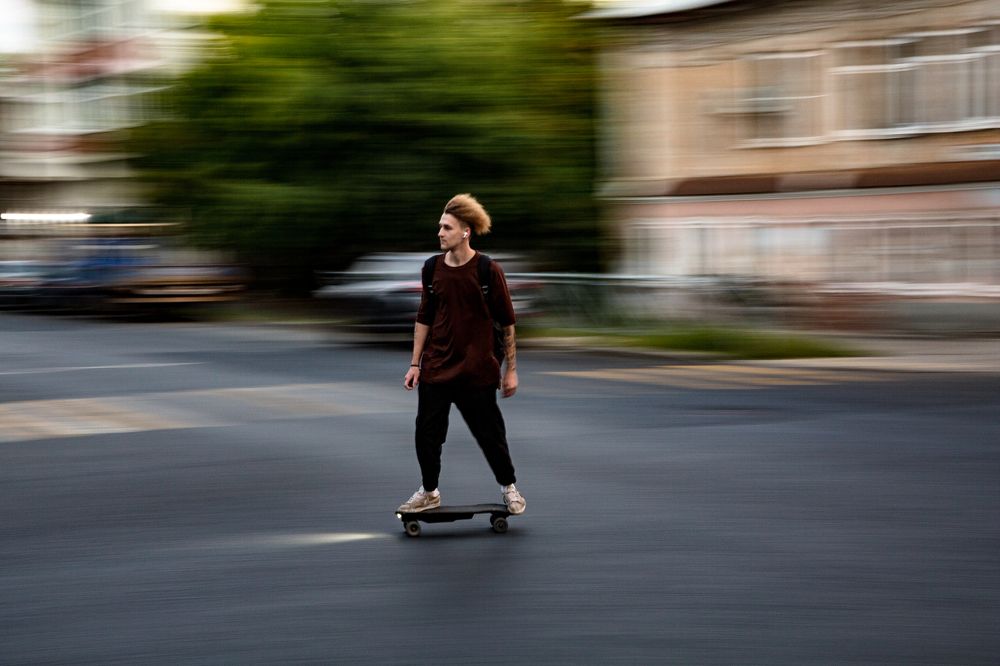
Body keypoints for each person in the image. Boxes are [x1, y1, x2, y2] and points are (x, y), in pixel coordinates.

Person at [399, 193, 526, 515]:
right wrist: (415, 364)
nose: (440, 233)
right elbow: (424, 317)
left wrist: (511, 370)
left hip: (476, 370)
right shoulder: (432, 268)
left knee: (491, 436)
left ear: (465, 232)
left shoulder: (487, 270)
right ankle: (429, 492)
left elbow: (507, 322)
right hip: (437, 368)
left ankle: (509, 487)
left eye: (447, 227)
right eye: (440, 227)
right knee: (427, 434)